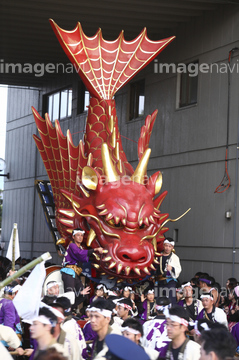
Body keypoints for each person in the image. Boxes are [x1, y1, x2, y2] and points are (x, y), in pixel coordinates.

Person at [61, 228, 104, 309]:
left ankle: (68, 308)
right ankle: (66, 310)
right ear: (73, 237)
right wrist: (95, 249)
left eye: (81, 235)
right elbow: (80, 253)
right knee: (70, 294)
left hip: (75, 274)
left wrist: (96, 254)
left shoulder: (80, 248)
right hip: (69, 272)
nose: (80, 237)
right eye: (78, 235)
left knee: (84, 295)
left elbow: (83, 257)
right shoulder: (72, 245)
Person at [156, 237, 181, 304]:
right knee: (158, 299)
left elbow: (178, 269)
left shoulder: (175, 257)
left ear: (172, 247)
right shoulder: (158, 256)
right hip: (159, 281)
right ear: (163, 246)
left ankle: (171, 313)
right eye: (166, 246)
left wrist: (172, 268)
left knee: (171, 300)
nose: (167, 248)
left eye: (169, 246)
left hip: (170, 281)